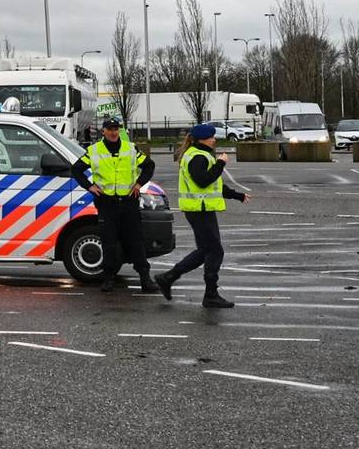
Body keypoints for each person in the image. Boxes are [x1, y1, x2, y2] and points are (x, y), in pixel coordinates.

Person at [154, 124, 250, 308]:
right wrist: (221, 163)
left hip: (199, 209)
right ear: (202, 139)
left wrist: (237, 195)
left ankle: (168, 278)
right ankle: (210, 294)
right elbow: (203, 180)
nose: (214, 139)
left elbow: (214, 186)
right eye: (211, 136)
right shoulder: (198, 157)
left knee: (204, 251)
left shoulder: (199, 154)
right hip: (200, 210)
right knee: (215, 250)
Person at [71, 117, 160, 294]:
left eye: (116, 129)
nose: (113, 132)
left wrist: (139, 184)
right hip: (107, 203)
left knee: (135, 242)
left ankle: (145, 278)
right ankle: (108, 278)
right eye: (110, 129)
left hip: (128, 203)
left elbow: (149, 166)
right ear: (103, 131)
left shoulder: (130, 148)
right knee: (109, 242)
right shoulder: (94, 150)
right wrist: (90, 186)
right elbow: (76, 169)